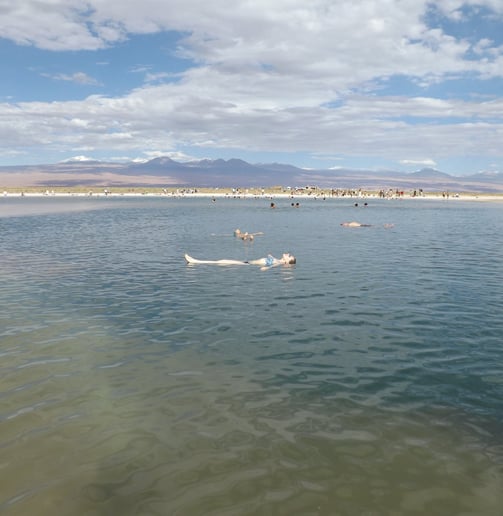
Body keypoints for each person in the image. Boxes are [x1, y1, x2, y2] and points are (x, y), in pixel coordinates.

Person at [185, 253, 296, 270]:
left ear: (286, 262)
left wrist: (266, 268)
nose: (287, 254)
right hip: (247, 263)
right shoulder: (278, 259)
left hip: (247, 264)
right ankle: (196, 261)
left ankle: (196, 261)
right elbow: (274, 261)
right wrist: (270, 255)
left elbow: (274, 265)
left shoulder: (280, 263)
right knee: (222, 261)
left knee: (222, 261)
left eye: (289, 256)